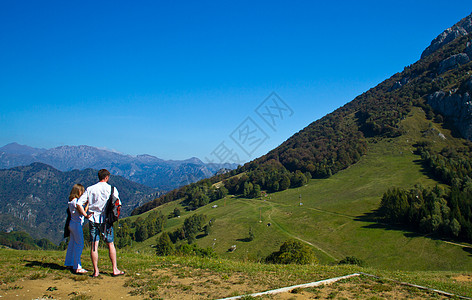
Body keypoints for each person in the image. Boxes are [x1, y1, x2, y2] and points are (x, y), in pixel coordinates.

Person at [77, 169, 124, 277]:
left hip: (93, 219)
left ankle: (96, 271)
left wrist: (85, 215)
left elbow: (79, 203)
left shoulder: (90, 189)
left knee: (94, 246)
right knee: (110, 244)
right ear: (106, 177)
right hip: (106, 220)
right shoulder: (112, 189)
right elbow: (118, 204)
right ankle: (114, 269)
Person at [64, 184, 91, 274]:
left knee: (72, 244)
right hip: (77, 224)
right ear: (79, 192)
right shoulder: (77, 203)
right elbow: (82, 211)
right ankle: (77, 266)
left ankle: (69, 262)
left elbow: (82, 209)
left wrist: (86, 204)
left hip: (71, 223)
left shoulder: (72, 201)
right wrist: (86, 214)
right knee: (79, 244)